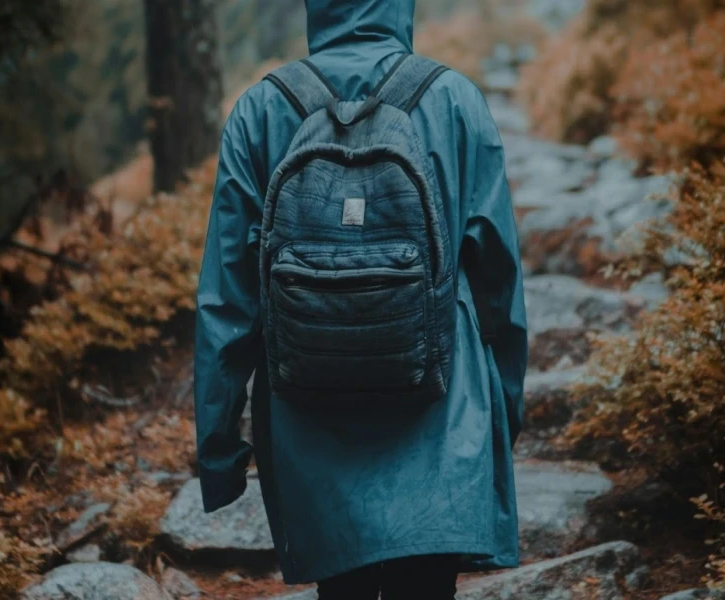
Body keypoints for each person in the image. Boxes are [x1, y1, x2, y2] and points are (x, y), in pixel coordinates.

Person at [193, 1, 527, 598]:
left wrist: (219, 451)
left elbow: (227, 301)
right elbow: (498, 276)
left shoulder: (261, 108)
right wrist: (504, 407)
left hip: (309, 423)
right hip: (439, 418)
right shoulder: (453, 99)